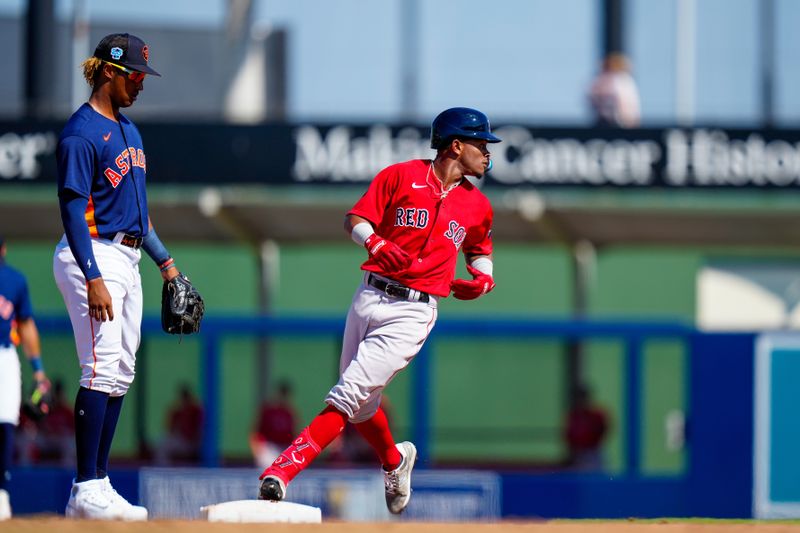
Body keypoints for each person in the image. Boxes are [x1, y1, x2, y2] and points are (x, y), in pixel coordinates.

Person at [257, 107, 499, 515]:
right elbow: (356, 219)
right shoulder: (401, 176)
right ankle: (394, 460)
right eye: (481, 144)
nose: (488, 152)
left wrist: (483, 277)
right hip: (369, 296)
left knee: (348, 395)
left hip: (414, 311)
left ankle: (281, 471)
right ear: (455, 146)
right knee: (362, 407)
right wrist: (374, 243)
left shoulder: (477, 205)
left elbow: (480, 248)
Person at [53, 32, 185, 521]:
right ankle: (84, 485)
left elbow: (139, 215)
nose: (140, 84)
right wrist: (91, 276)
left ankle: (99, 483)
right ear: (108, 71)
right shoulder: (81, 132)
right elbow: (70, 208)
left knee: (122, 369)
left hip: (126, 256)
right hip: (91, 252)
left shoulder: (130, 131)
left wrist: (167, 264)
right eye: (134, 75)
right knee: (100, 366)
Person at [0, 236, 50, 521]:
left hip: (5, 355)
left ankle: (1, 494)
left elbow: (26, 325)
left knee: (5, 424)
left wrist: (39, 370)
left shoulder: (14, 281)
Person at [250, 381, 297, 470]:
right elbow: (255, 432)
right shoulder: (268, 410)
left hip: (284, 448)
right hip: (269, 448)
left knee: (283, 477)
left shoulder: (289, 412)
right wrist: (257, 451)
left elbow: (293, 433)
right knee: (267, 476)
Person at [588, 52, 641, 128]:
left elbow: (626, 104)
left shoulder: (622, 80)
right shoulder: (622, 80)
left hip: (621, 121)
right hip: (611, 121)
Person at [564, 385, 609, 472]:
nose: (581, 401)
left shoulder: (597, 415)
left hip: (594, 453)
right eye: (578, 398)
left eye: (583, 397)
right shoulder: (574, 416)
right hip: (578, 454)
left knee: (595, 476)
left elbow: (603, 431)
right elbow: (568, 435)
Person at [156, 384, 204, 465]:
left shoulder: (195, 410)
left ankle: (163, 469)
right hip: (182, 441)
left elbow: (194, 432)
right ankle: (164, 468)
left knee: (163, 446)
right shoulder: (178, 411)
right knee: (162, 442)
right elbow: (170, 429)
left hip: (191, 443)